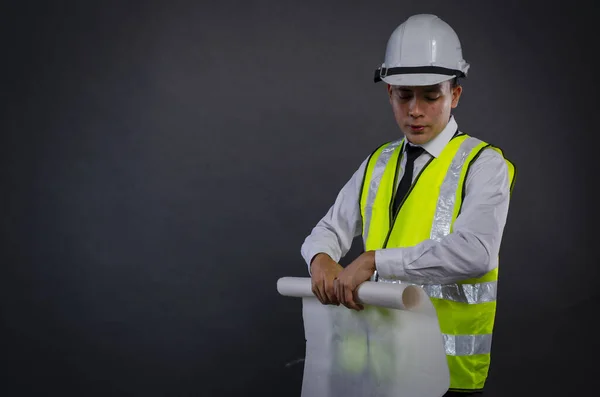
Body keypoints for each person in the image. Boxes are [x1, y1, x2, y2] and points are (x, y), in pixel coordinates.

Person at [300, 14, 516, 396]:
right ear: (389, 94)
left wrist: (374, 260)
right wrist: (320, 257)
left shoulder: (483, 165)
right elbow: (328, 229)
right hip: (377, 370)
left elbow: (478, 253)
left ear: (455, 94)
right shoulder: (377, 163)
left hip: (446, 378)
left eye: (431, 95)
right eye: (403, 95)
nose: (415, 110)